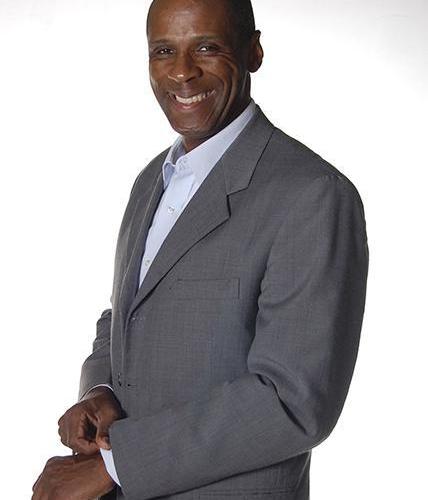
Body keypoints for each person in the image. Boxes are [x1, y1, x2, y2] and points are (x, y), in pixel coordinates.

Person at [32, 0, 369, 498]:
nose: (182, 72)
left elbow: (294, 401)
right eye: (163, 51)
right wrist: (99, 390)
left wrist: (115, 467)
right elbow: (128, 313)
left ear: (253, 52)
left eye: (207, 48)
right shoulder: (153, 179)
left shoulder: (312, 194)